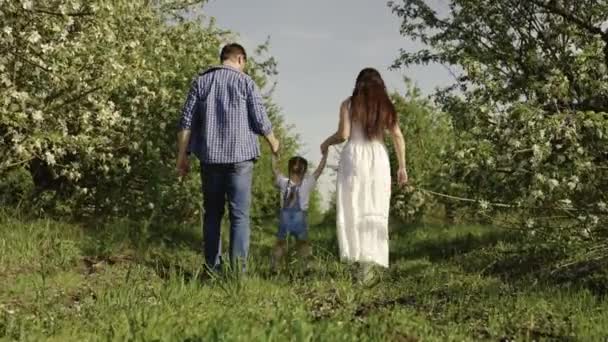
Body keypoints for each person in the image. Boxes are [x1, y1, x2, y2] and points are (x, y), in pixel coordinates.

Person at [176, 43, 280, 273]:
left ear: (223, 58)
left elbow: (186, 123)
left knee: (212, 215)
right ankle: (237, 273)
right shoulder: (246, 83)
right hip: (240, 159)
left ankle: (212, 270)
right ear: (240, 59)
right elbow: (261, 119)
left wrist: (182, 158)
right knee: (239, 215)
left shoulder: (201, 82)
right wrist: (273, 141)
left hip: (210, 159)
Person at [320, 67, 408, 283]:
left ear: (358, 84)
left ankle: (357, 264)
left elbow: (344, 135)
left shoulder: (348, 104)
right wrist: (402, 166)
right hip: (378, 158)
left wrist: (326, 142)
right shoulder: (385, 106)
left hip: (354, 158)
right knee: (374, 208)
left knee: (353, 208)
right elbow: (397, 136)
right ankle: (368, 269)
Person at [270, 152, 328, 271]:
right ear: (305, 171)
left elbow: (275, 169)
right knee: (303, 243)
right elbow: (319, 170)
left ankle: (275, 266)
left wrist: (274, 154)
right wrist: (325, 155)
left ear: (289, 169)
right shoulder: (307, 183)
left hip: (285, 218)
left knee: (280, 243)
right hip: (300, 218)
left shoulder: (282, 181)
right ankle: (308, 266)